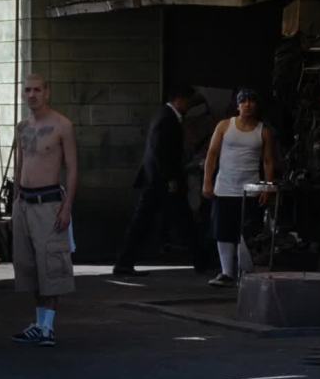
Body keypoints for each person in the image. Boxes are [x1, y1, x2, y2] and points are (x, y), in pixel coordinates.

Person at [11, 74, 78, 347]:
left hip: (49, 202)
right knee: (30, 267)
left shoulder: (62, 125)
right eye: (27, 90)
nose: (32, 95)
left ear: (47, 92)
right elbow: (20, 165)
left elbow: (72, 169)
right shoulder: (22, 127)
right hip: (24, 202)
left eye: (37, 90)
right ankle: (39, 324)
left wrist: (67, 207)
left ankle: (48, 327)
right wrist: (15, 200)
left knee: (51, 265)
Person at [113, 86, 197, 276]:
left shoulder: (165, 115)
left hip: (159, 181)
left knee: (155, 221)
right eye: (189, 101)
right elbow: (159, 151)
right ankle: (124, 262)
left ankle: (124, 262)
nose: (190, 105)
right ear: (179, 99)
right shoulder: (167, 117)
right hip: (160, 182)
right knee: (170, 221)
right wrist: (170, 178)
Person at [202, 88, 276, 287]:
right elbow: (212, 154)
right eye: (243, 101)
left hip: (250, 189)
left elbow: (268, 161)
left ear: (257, 105)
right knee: (223, 230)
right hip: (225, 187)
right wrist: (207, 181)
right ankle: (227, 272)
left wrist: (267, 187)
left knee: (247, 233)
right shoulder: (225, 126)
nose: (247, 105)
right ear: (237, 105)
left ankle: (246, 273)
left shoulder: (263, 130)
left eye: (251, 101)